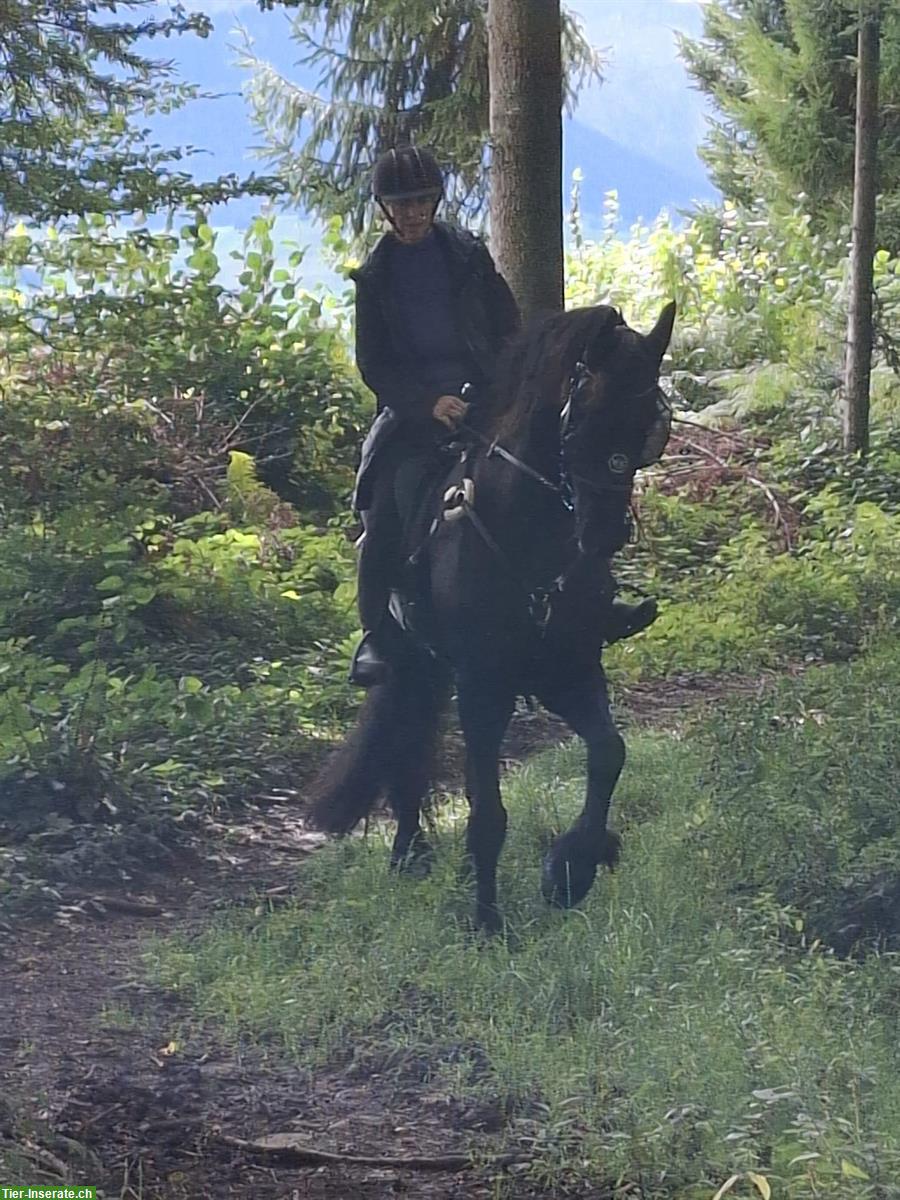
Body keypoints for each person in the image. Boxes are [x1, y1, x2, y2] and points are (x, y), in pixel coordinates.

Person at [347, 145, 656, 687]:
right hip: (413, 412)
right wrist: (427, 403)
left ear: (435, 202)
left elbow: (507, 326)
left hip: (487, 394)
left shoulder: (467, 255)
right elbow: (374, 363)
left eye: (422, 201)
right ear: (385, 209)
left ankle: (595, 597)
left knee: (559, 471)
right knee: (384, 501)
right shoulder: (374, 278)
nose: (414, 212)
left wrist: (503, 389)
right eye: (403, 203)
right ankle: (378, 632)